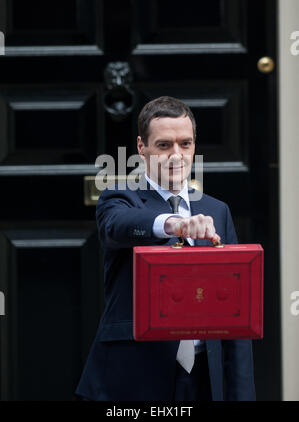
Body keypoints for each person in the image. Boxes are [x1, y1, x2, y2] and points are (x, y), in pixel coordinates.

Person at [75, 96, 256, 401]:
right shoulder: (119, 198)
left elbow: (234, 314)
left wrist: (241, 395)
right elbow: (118, 226)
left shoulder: (217, 210)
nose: (177, 155)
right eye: (163, 145)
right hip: (132, 377)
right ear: (141, 147)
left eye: (185, 144)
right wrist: (176, 224)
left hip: (203, 378)